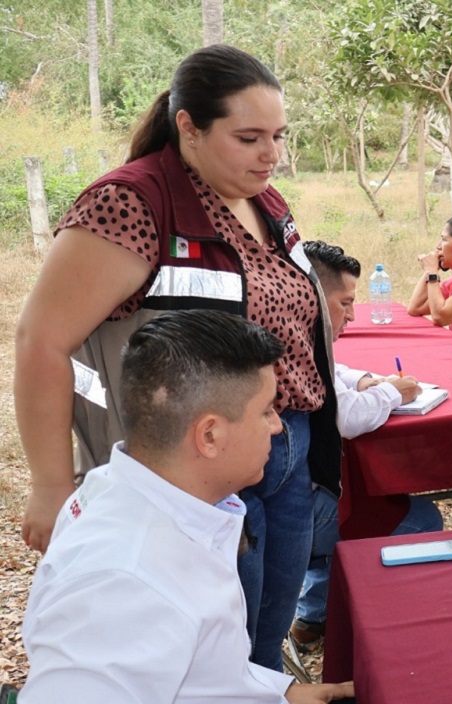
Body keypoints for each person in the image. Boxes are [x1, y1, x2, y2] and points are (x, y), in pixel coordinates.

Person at [13, 45, 340, 671]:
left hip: (283, 448)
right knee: (206, 649)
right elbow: (41, 341)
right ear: (188, 127)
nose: (271, 155)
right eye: (249, 138)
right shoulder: (131, 204)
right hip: (192, 471)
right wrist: (51, 485)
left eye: (278, 136)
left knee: (261, 639)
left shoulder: (265, 201)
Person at [19, 310, 353, 703]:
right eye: (266, 410)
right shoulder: (122, 586)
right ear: (209, 435)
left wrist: (283, 693)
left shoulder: (139, 491)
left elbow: (204, 668)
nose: (277, 426)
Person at [292, 241, 443, 646]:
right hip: (302, 503)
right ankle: (386, 627)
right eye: (345, 303)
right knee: (423, 520)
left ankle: (314, 616)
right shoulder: (297, 343)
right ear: (314, 298)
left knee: (350, 507)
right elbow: (349, 418)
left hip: (295, 495)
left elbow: (334, 372)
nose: (352, 315)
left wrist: (364, 381)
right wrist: (393, 392)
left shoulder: (292, 334)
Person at [407, 213, 452, 333]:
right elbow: (415, 308)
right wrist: (430, 270)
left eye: (444, 240)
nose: (438, 246)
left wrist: (431, 272)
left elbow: (440, 317)